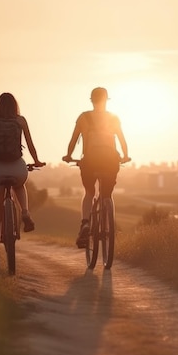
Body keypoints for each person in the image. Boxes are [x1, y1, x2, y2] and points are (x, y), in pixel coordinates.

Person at [0, 92, 45, 266]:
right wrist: (36, 161)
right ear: (15, 106)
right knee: (19, 185)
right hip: (17, 167)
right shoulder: (20, 121)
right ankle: (25, 212)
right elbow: (30, 144)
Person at [62, 87, 130, 248]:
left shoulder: (84, 117)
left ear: (92, 100)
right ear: (106, 100)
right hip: (110, 161)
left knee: (90, 192)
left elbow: (73, 141)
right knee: (107, 194)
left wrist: (68, 156)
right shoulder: (113, 118)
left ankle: (85, 223)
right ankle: (107, 223)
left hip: (90, 161)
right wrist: (125, 155)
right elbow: (122, 140)